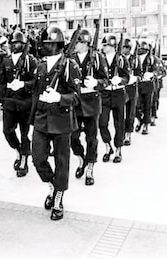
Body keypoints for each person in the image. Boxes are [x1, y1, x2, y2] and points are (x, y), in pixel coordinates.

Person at [29, 27, 81, 220]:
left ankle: (59, 196)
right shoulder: (41, 66)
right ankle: (53, 185)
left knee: (61, 161)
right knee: (38, 158)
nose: (48, 47)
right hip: (42, 119)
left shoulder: (70, 65)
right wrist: (31, 121)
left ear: (59, 45)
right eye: (45, 44)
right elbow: (35, 94)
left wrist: (59, 97)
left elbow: (76, 96)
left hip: (61, 120)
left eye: (51, 44)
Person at [0, 31, 38, 177]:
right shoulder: (6, 60)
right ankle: (19, 150)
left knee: (25, 133)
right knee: (7, 131)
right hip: (10, 102)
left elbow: (35, 82)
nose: (15, 45)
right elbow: (1, 82)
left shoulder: (30, 60)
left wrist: (22, 84)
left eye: (18, 43)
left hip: (25, 102)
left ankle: (24, 159)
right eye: (12, 43)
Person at [70, 29, 108, 185]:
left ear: (85, 43)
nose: (74, 45)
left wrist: (96, 83)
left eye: (77, 42)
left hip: (92, 102)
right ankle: (81, 159)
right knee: (73, 137)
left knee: (91, 139)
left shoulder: (98, 58)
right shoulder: (70, 58)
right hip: (76, 103)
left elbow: (106, 80)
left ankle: (90, 167)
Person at [99, 35, 129, 163]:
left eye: (106, 45)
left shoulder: (121, 59)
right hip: (105, 94)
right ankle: (107, 146)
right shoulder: (99, 58)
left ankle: (118, 149)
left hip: (118, 94)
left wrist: (120, 80)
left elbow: (127, 78)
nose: (103, 47)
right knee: (102, 123)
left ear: (112, 47)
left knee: (119, 123)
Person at [122, 38, 139, 146]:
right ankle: (121, 134)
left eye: (126, 47)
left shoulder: (135, 59)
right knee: (120, 114)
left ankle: (128, 134)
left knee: (130, 113)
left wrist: (134, 78)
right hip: (122, 88)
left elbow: (140, 74)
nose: (124, 49)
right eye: (123, 47)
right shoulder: (119, 58)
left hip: (131, 88)